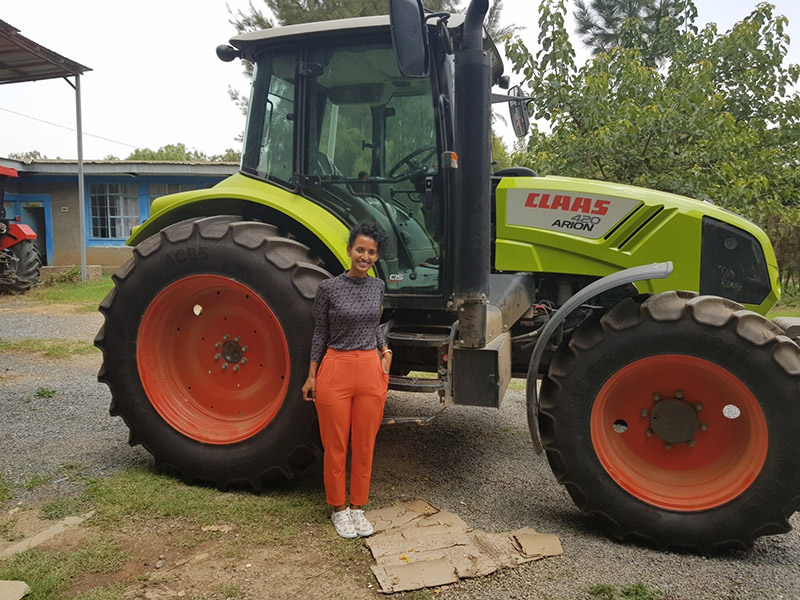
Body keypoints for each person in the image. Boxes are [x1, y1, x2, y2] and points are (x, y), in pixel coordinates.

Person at [301, 222, 392, 539]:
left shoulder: (378, 287)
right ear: (349, 250)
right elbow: (321, 334)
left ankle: (358, 507)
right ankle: (339, 509)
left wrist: (385, 349)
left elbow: (374, 326)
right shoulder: (329, 289)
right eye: (360, 250)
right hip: (335, 367)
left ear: (375, 255)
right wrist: (312, 375)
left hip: (369, 368)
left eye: (371, 252)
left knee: (365, 445)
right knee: (335, 445)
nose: (365, 256)